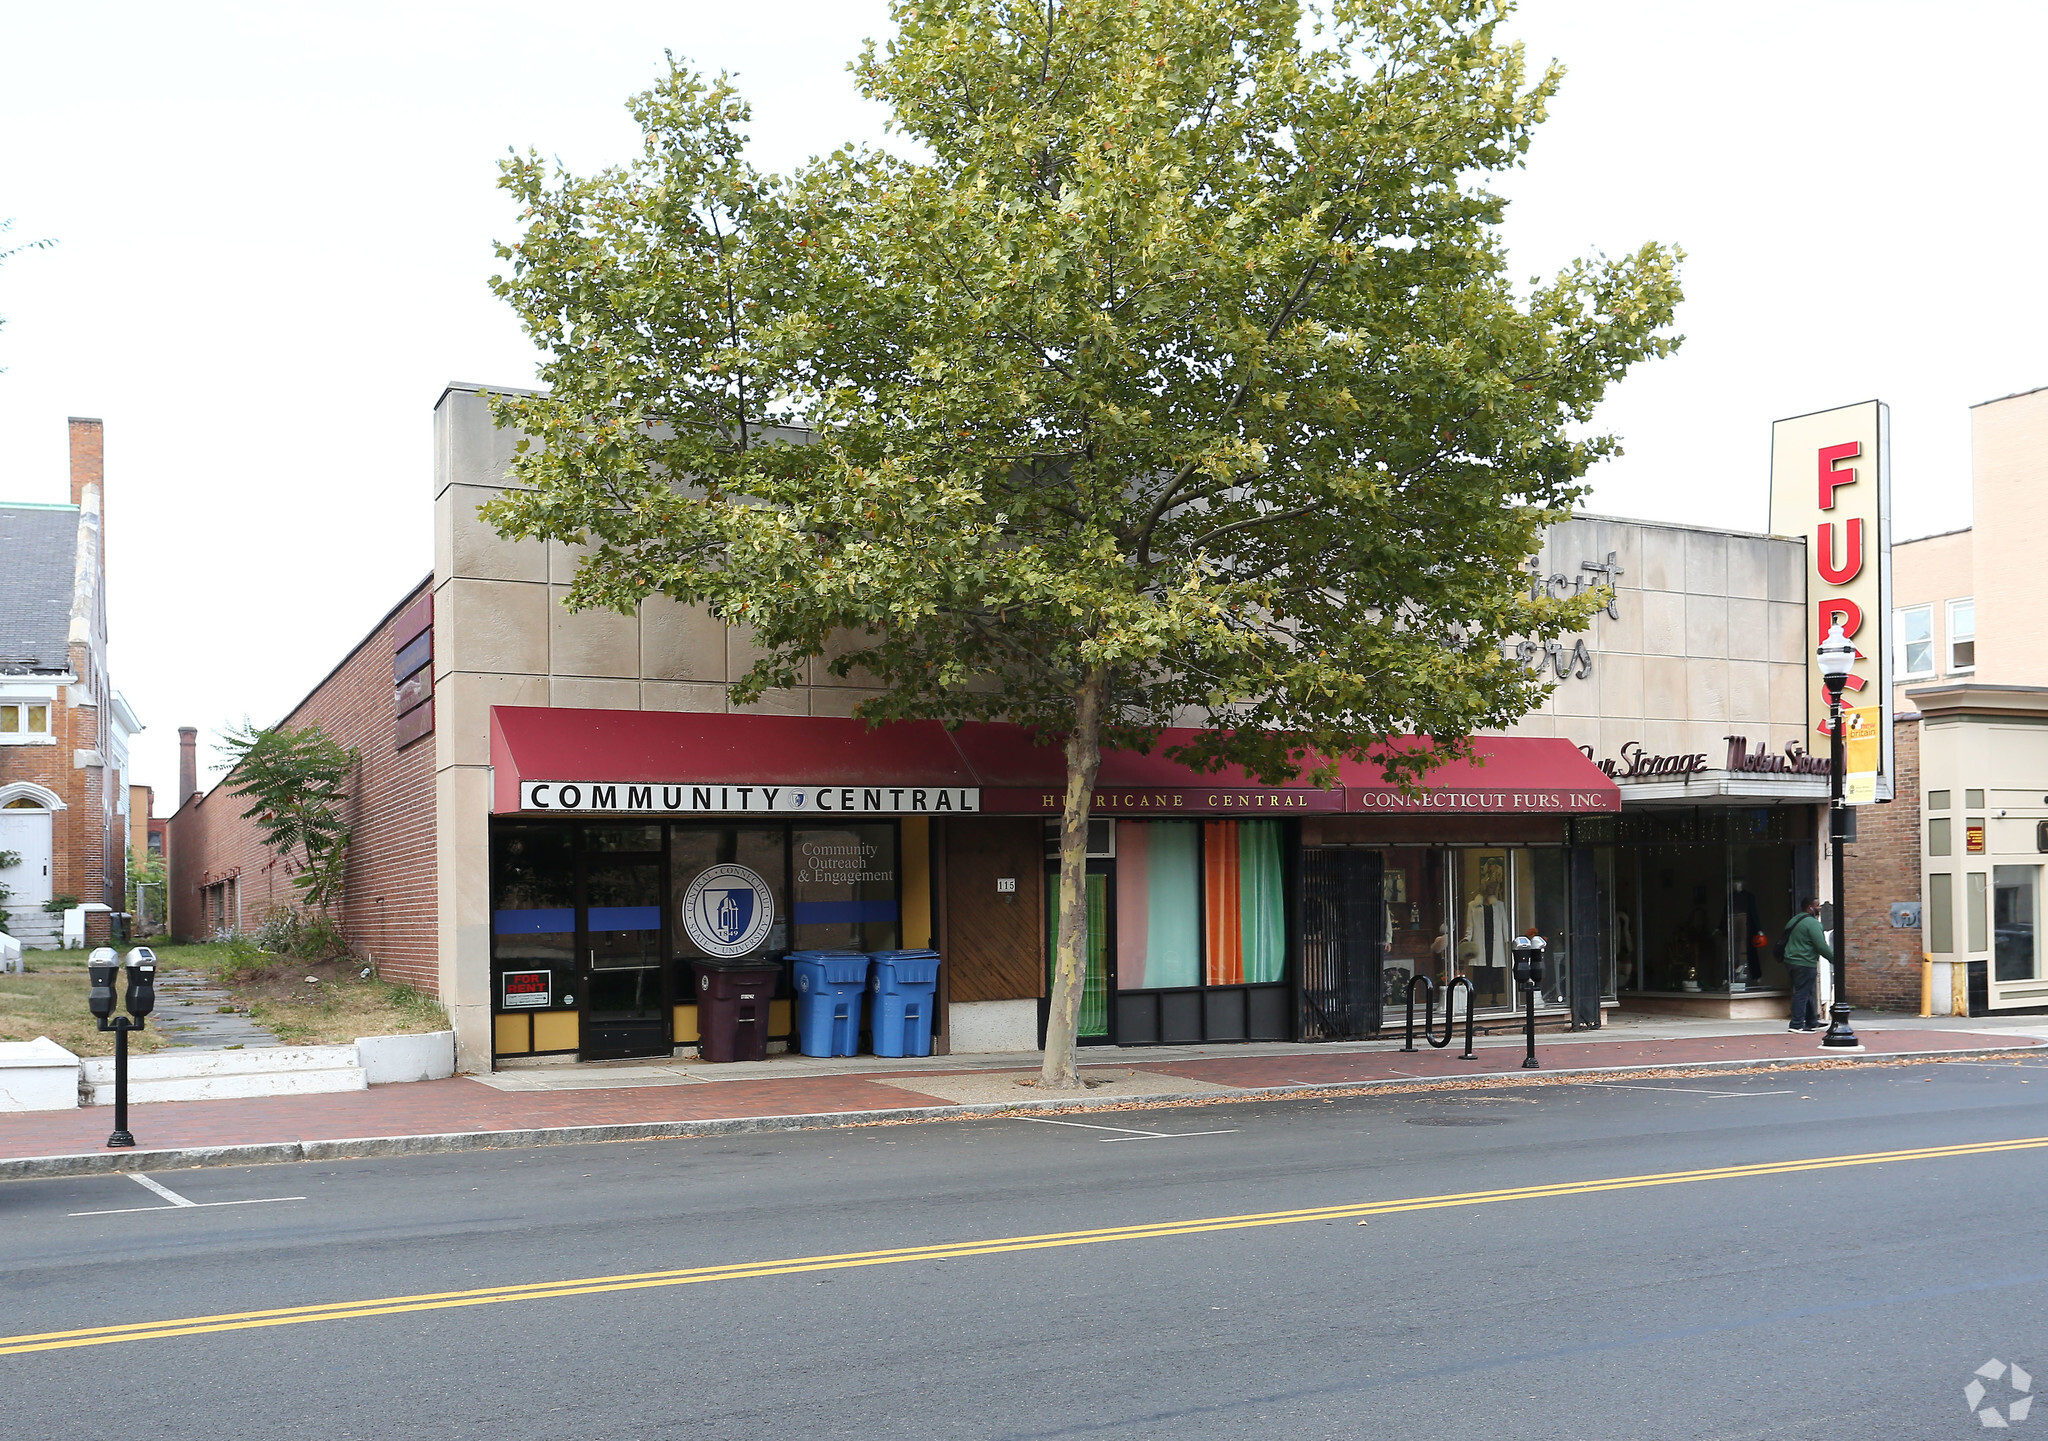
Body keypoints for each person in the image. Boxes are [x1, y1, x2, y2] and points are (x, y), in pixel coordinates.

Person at [1781, 897, 1833, 1031]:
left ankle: (1811, 1021)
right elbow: (1821, 946)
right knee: (1802, 993)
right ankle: (1796, 1024)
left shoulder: (1794, 920)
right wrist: (1835, 959)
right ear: (1810, 907)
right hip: (1805, 962)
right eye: (1817, 905)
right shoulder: (1813, 923)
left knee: (1807, 991)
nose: (1820, 907)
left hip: (1790, 961)